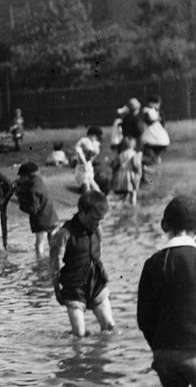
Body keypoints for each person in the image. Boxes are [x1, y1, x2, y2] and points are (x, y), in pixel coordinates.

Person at [137, 195, 196, 387]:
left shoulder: (152, 263)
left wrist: (160, 348)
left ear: (163, 226)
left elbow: (144, 318)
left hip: (165, 356)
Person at [49, 190, 116, 337]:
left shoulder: (97, 227)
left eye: (100, 220)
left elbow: (98, 252)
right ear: (82, 213)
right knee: (79, 335)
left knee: (110, 327)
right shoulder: (65, 234)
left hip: (96, 281)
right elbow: (54, 262)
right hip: (74, 286)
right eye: (94, 219)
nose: (97, 223)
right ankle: (67, 338)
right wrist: (56, 288)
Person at [14, 161, 59, 256]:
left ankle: (39, 263)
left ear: (29, 176)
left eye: (22, 176)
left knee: (39, 244)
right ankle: (54, 261)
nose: (20, 178)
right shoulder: (38, 181)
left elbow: (33, 209)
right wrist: (18, 184)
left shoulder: (33, 190)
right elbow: (25, 186)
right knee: (53, 243)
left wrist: (19, 203)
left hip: (41, 220)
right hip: (52, 216)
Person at [111, 136, 143, 206]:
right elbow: (137, 164)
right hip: (130, 173)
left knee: (125, 192)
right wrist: (139, 172)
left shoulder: (121, 154)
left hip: (121, 174)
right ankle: (133, 204)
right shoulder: (134, 153)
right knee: (133, 191)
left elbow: (116, 164)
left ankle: (122, 203)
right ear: (134, 145)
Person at [140, 96, 170, 166]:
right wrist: (156, 120)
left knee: (155, 152)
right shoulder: (146, 110)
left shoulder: (159, 112)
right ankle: (152, 159)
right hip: (150, 135)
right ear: (150, 103)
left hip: (158, 135)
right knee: (149, 150)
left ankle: (155, 158)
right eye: (156, 103)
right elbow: (147, 121)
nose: (158, 105)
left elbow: (163, 122)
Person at [73, 126, 103, 194]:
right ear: (92, 135)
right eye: (95, 137)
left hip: (86, 166)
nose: (96, 139)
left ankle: (98, 195)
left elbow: (92, 156)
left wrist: (88, 160)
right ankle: (97, 194)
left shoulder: (94, 143)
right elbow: (78, 150)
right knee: (88, 182)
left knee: (90, 182)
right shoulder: (85, 140)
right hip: (83, 165)